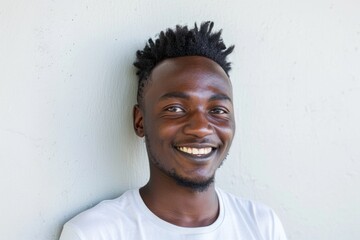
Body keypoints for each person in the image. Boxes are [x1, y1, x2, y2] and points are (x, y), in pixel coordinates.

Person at [59, 21, 287, 240]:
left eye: (218, 110)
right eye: (175, 108)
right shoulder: (94, 233)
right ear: (140, 122)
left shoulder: (262, 226)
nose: (200, 128)